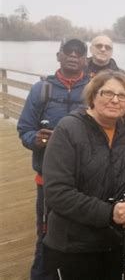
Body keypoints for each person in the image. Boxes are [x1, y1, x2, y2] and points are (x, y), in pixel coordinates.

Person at [41, 70, 125, 279]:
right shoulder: (68, 130)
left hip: (115, 243)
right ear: (93, 96)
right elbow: (57, 192)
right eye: (107, 93)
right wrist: (109, 212)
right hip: (74, 246)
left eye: (122, 96)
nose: (115, 100)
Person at [17, 38, 89, 280]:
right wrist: (34, 138)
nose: (73, 56)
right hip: (47, 179)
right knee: (46, 235)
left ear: (85, 60)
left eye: (79, 53)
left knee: (81, 234)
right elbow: (24, 128)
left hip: (85, 179)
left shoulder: (94, 88)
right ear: (58, 56)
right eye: (68, 52)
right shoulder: (41, 89)